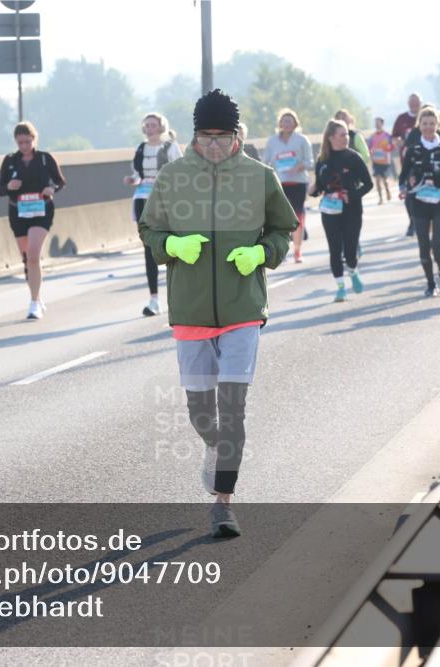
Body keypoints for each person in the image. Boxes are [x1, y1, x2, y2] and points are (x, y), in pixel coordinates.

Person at [138, 89, 297, 538]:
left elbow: (283, 229)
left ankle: (223, 505)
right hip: (190, 310)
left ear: (235, 137)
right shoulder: (172, 177)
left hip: (243, 308)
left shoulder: (260, 177)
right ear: (194, 135)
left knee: (233, 408)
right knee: (201, 412)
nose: (213, 145)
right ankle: (212, 446)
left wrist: (261, 253)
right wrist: (171, 245)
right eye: (206, 136)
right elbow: (149, 228)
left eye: (222, 137)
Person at [0, 121, 67, 320]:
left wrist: (52, 189)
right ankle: (37, 295)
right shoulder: (10, 161)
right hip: (18, 212)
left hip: (41, 210)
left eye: (27, 142)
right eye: (20, 143)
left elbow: (60, 182)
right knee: (27, 259)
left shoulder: (44, 158)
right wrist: (9, 186)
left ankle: (34, 303)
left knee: (33, 255)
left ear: (34, 139)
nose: (24, 146)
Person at [123, 113, 183, 317]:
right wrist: (131, 180)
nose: (149, 129)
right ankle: (154, 299)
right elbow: (137, 175)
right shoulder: (141, 148)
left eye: (153, 125)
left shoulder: (170, 147)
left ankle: (178, 294)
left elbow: (181, 171)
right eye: (146, 125)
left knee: (170, 245)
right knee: (148, 247)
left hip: (165, 199)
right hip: (142, 198)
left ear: (161, 127)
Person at [311, 119, 373, 302]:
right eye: (342, 134)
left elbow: (368, 184)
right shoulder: (322, 160)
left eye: (347, 134)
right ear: (331, 137)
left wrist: (351, 195)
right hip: (329, 211)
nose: (346, 137)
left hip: (351, 209)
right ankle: (340, 288)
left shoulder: (353, 158)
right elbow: (320, 186)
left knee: (350, 251)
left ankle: (353, 271)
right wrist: (313, 191)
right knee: (334, 249)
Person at [399, 107, 440, 297]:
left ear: (437, 125)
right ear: (419, 125)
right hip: (419, 201)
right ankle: (431, 284)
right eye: (425, 124)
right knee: (423, 243)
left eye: (432, 123)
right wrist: (405, 186)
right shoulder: (413, 150)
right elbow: (403, 174)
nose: (428, 127)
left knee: (437, 242)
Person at [263, 109, 313, 263]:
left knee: (297, 218)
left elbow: (310, 162)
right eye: (284, 121)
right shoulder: (272, 141)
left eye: (290, 121)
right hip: (279, 184)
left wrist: (298, 167)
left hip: (298, 183)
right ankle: (282, 250)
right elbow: (265, 162)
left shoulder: (302, 140)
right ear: (280, 123)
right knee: (280, 219)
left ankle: (297, 251)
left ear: (295, 123)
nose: (287, 124)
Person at [392, 93, 422, 236]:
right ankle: (412, 222)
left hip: (426, 163)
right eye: (412, 102)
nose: (414, 104)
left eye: (416, 102)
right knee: (409, 194)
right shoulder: (402, 118)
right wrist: (398, 141)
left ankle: (423, 222)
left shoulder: (425, 117)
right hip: (408, 163)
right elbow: (394, 137)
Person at [367, 117, 394, 204]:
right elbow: (369, 148)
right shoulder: (372, 136)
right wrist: (371, 152)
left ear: (382, 124)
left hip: (385, 161)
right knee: (377, 179)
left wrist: (387, 149)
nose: (377, 124)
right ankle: (380, 198)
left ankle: (387, 190)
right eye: (375, 123)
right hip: (376, 161)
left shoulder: (387, 135)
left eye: (378, 122)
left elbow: (392, 146)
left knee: (384, 180)